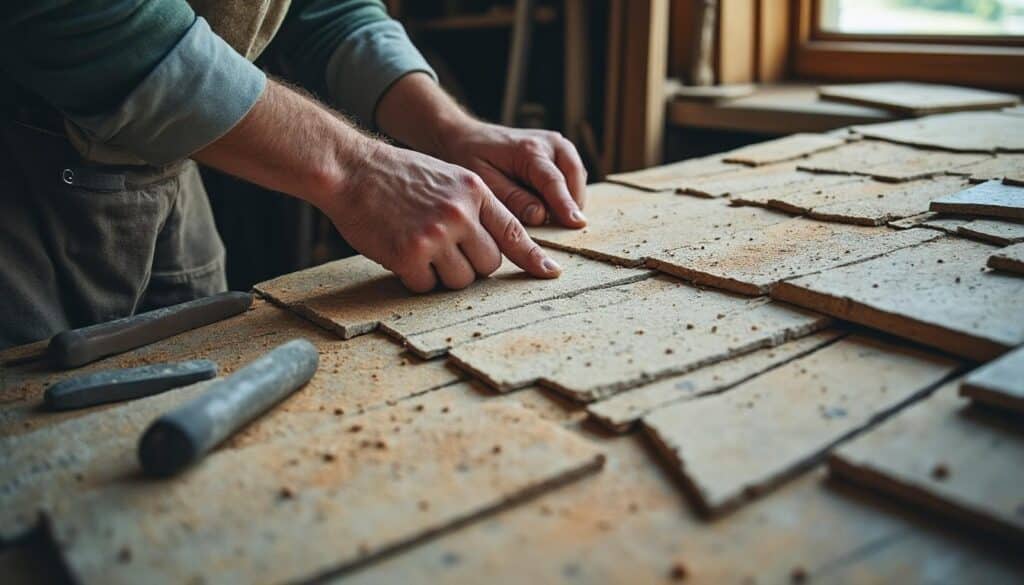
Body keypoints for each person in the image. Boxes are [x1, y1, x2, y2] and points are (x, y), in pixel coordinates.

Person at [0, 0, 589, 349]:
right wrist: (358, 169)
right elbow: (81, 18)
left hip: (169, 171)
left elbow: (327, 11)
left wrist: (450, 129)